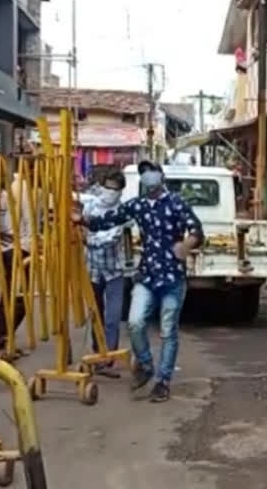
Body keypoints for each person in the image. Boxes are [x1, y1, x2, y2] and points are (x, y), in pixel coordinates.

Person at [74, 161, 204, 403]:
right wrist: (81, 219)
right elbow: (107, 220)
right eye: (143, 173)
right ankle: (145, 364)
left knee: (168, 331)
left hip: (173, 278)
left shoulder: (176, 203)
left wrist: (186, 245)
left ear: (161, 176)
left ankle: (163, 382)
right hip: (146, 276)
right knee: (134, 323)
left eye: (151, 172)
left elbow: (197, 231)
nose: (148, 177)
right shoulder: (138, 206)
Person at [81, 170, 134, 378]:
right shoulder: (91, 206)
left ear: (120, 191)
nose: (110, 192)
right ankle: (98, 352)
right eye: (108, 187)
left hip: (115, 271)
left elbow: (112, 237)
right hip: (92, 269)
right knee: (95, 314)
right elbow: (83, 230)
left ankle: (109, 356)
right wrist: (86, 237)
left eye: (115, 189)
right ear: (102, 186)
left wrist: (89, 240)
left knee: (113, 317)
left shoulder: (122, 211)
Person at [0, 171, 38, 359]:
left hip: (8, 248)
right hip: (18, 249)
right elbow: (28, 223)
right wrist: (31, 244)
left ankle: (4, 341)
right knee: (17, 298)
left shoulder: (11, 190)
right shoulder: (23, 189)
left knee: (13, 297)